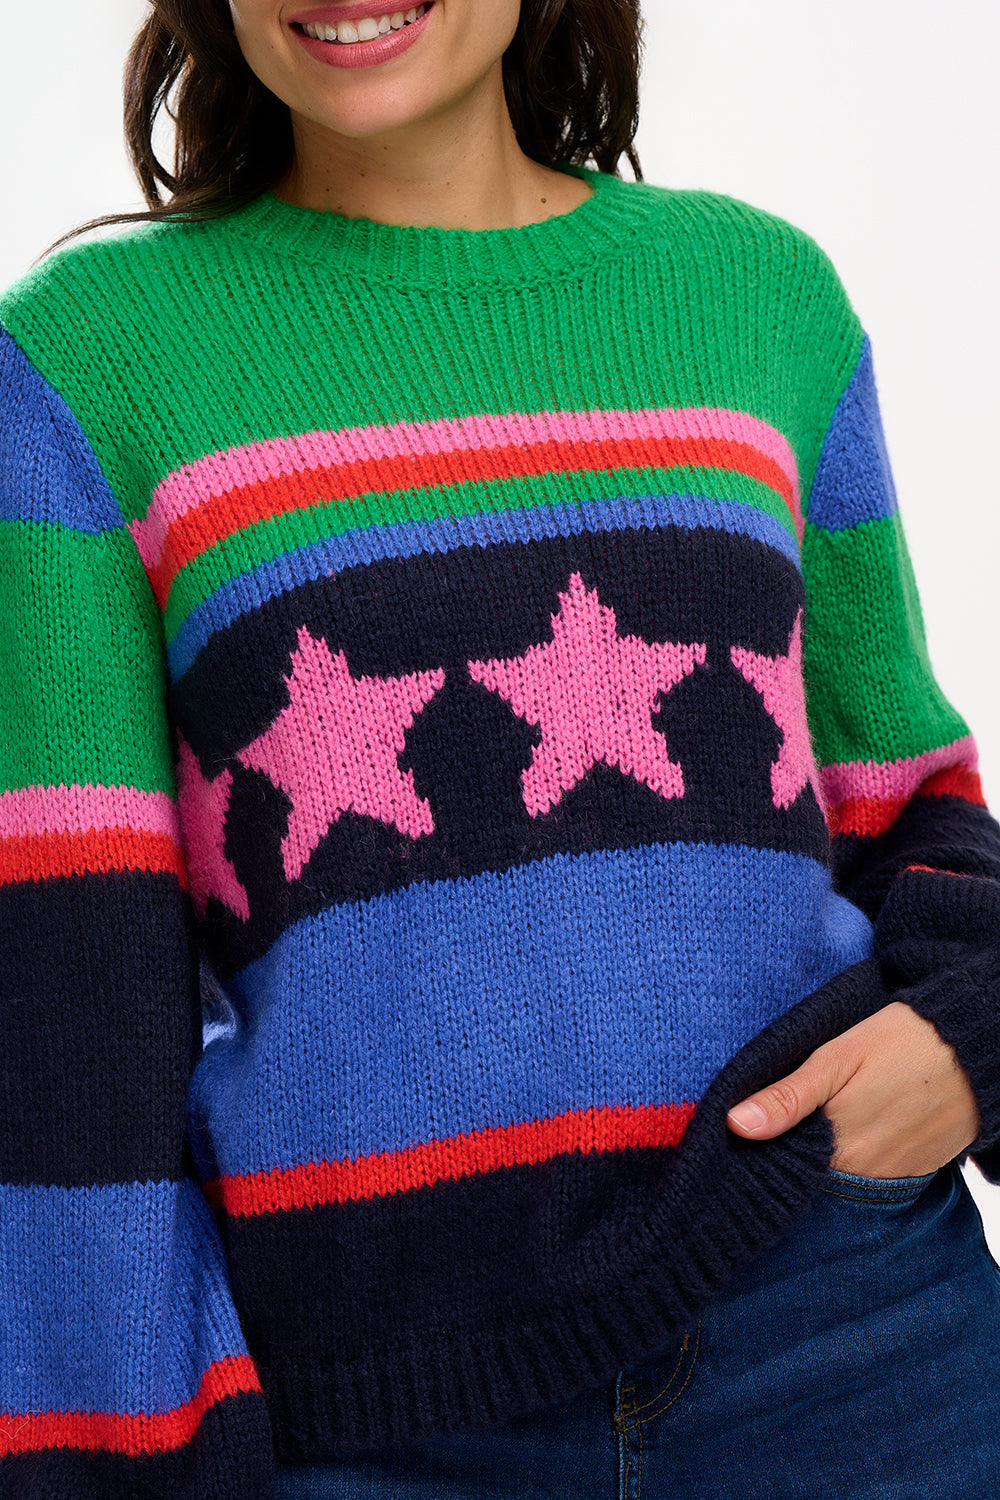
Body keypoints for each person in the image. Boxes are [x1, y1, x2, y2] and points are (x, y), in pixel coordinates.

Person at [1, 1, 999, 1496]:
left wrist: (968, 1042)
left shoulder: (758, 294)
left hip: (846, 1330)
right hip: (368, 1413)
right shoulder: (83, 357)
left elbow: (904, 796)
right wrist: (117, 1459)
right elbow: (66, 971)